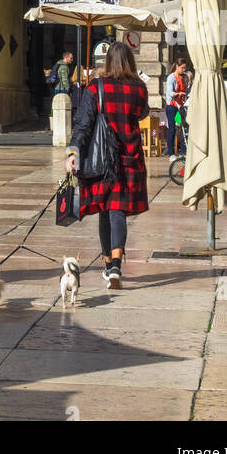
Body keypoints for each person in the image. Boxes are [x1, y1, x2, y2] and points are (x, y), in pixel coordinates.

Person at [66, 39, 149, 291]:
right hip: (130, 157)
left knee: (105, 210)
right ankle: (114, 265)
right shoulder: (139, 88)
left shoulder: (95, 87)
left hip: (101, 158)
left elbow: (83, 124)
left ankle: (108, 263)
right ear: (130, 61)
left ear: (108, 61)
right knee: (118, 210)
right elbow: (143, 114)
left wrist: (73, 152)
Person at [164, 58, 190, 161]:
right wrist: (179, 93)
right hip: (172, 106)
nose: (184, 70)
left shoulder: (184, 78)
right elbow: (169, 92)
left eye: (185, 68)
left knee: (183, 127)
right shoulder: (171, 78)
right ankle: (171, 153)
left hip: (181, 106)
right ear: (177, 67)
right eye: (182, 68)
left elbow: (187, 89)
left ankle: (183, 151)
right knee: (172, 128)